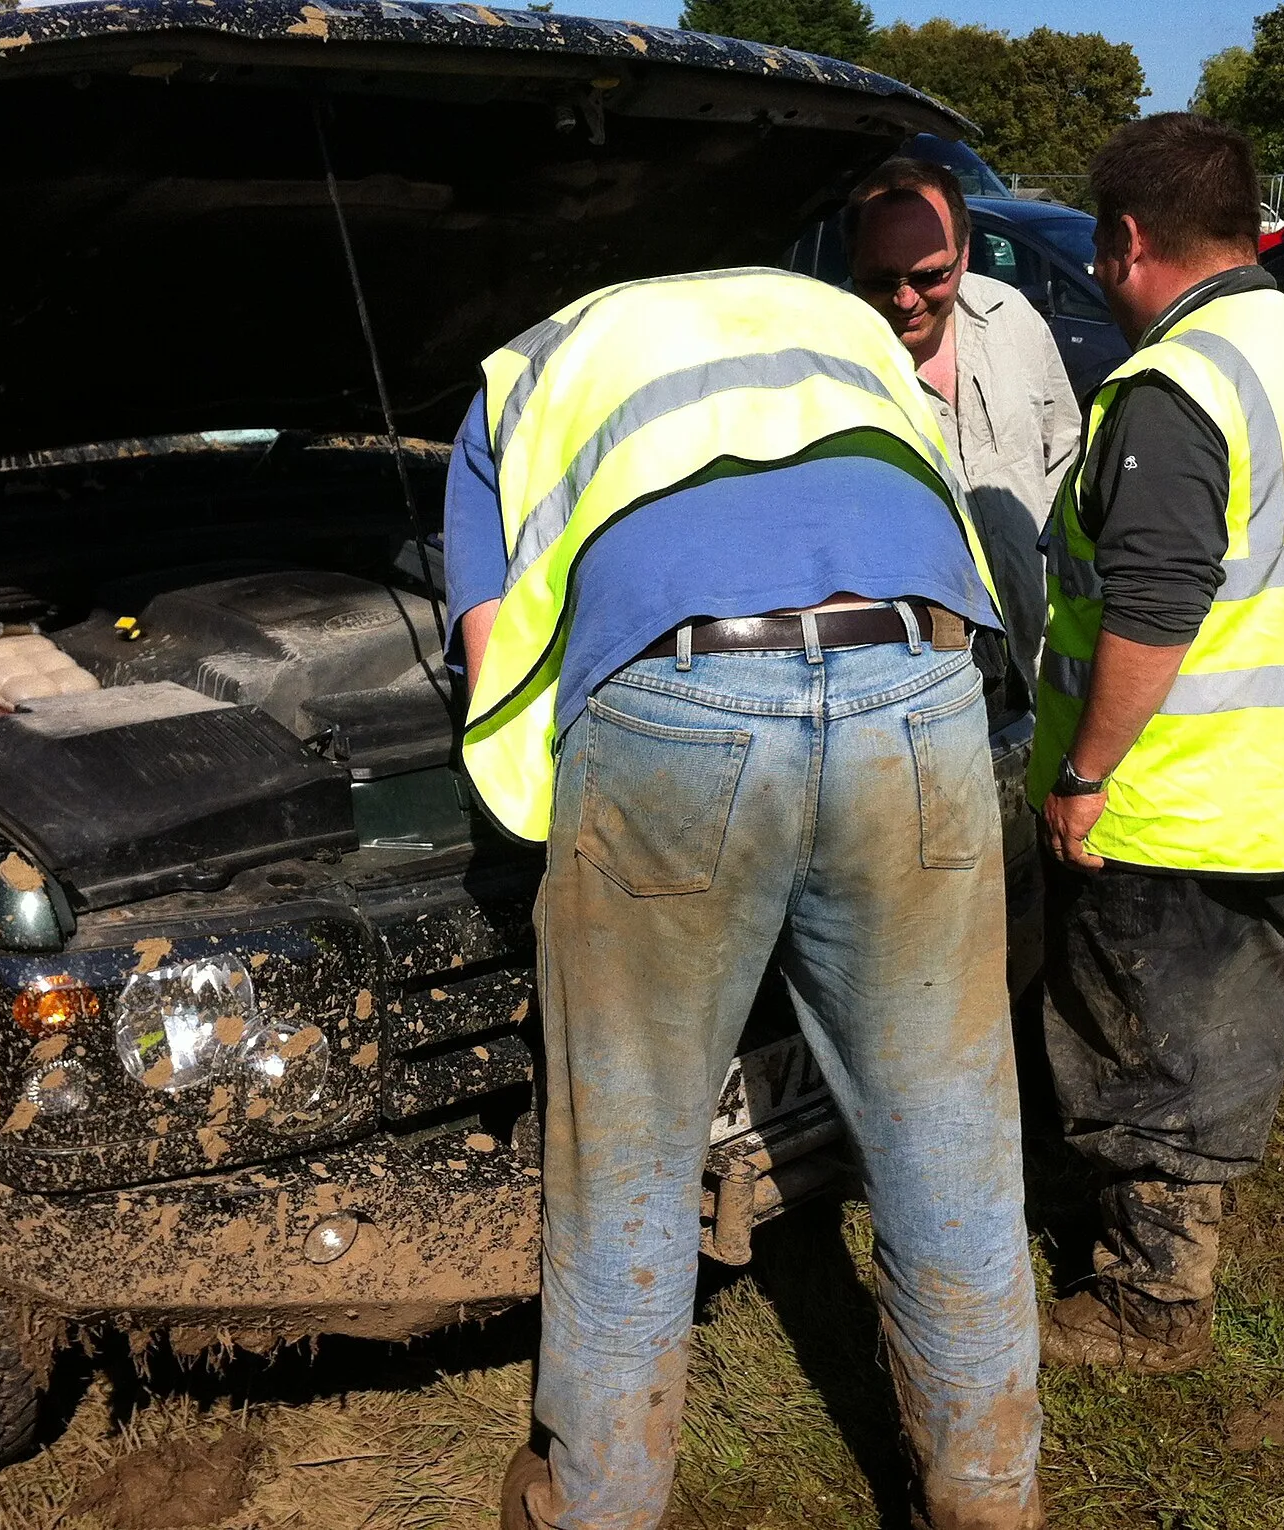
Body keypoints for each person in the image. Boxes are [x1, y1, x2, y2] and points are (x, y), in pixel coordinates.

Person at [447, 267, 1046, 1530]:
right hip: (914, 677)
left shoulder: (518, 375)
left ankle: (595, 1503)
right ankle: (985, 1496)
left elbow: (492, 653)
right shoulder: (829, 323)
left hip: (683, 694)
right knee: (950, 1132)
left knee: (630, 1151)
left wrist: (553, 822)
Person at [1029, 113, 1284, 1374]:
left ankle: (1146, 1302)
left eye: (1096, 247)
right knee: (1229, 1027)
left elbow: (1150, 605)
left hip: (1169, 802)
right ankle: (1171, 1253)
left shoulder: (1170, 388)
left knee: (1142, 1048)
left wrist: (1083, 776)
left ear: (1125, 238)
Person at [845, 157, 1082, 705]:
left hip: (1040, 663)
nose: (906, 300)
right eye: (882, 281)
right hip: (923, 691)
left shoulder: (1013, 318)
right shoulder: (832, 367)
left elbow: (1062, 455)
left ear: (966, 253)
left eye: (930, 276)